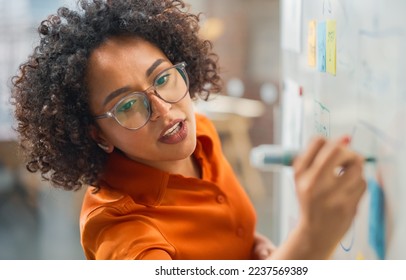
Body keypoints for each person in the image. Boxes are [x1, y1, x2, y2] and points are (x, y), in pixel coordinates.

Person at [11, 0, 366, 260]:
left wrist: (258, 256)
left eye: (163, 78)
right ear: (97, 134)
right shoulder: (127, 236)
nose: (166, 111)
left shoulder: (199, 136)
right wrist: (311, 241)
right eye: (128, 105)